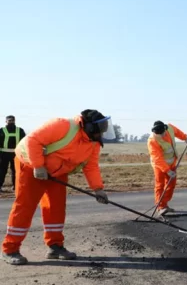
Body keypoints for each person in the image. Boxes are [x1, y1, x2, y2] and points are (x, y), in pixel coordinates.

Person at [2, 110, 113, 265]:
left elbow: (91, 166)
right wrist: (38, 166)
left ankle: (55, 247)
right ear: (88, 126)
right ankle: (10, 249)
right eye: (100, 128)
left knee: (56, 207)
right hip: (30, 165)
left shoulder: (93, 143)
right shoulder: (62, 125)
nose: (101, 132)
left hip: (57, 172)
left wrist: (98, 189)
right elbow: (32, 141)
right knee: (25, 207)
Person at [147, 121, 187, 216]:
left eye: (163, 133)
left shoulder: (170, 128)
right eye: (160, 134)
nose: (163, 135)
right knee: (160, 185)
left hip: (172, 162)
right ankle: (160, 207)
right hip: (159, 166)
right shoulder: (152, 140)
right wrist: (167, 171)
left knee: (171, 184)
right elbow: (157, 159)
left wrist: (185, 138)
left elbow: (177, 132)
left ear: (165, 129)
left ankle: (164, 204)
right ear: (155, 132)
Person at [0, 115, 26, 192]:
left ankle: (16, 186)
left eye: (12, 120)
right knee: (2, 171)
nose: (10, 122)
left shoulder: (20, 130)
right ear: (6, 121)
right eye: (9, 120)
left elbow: (24, 142)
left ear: (14, 121)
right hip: (5, 154)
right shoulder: (2, 130)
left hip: (15, 154)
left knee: (16, 171)